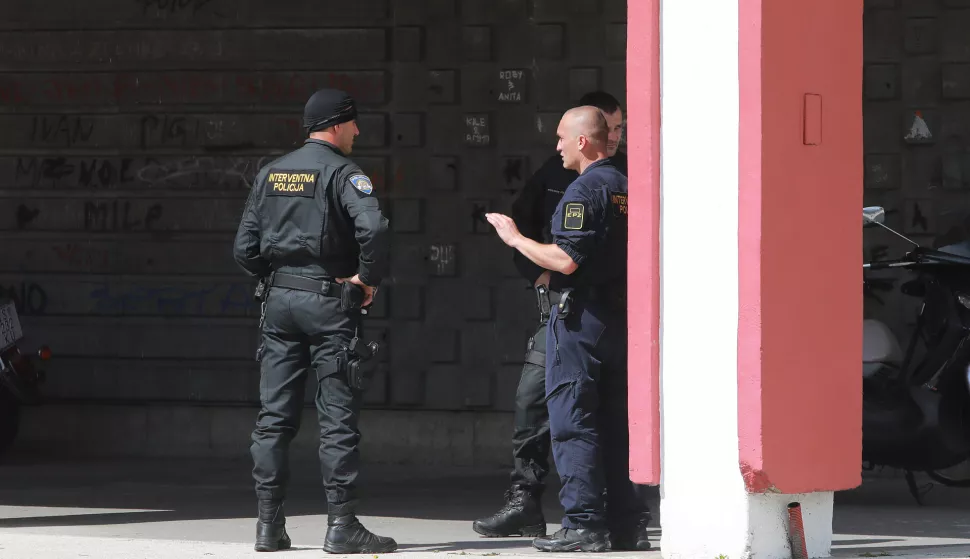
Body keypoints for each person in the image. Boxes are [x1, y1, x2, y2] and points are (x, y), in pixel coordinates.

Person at [232, 88, 397, 554]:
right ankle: (341, 525)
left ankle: (268, 527)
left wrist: (279, 279)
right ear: (338, 125)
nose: (358, 132)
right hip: (330, 305)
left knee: (272, 420)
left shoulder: (270, 173)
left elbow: (243, 249)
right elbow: (375, 229)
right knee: (337, 418)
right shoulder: (345, 173)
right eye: (354, 124)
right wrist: (365, 279)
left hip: (280, 303)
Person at [485, 106, 650, 552]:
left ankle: (582, 526)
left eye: (561, 138)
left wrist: (516, 238)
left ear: (582, 141)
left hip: (582, 324)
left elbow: (566, 259)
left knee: (573, 423)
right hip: (621, 322)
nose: (556, 146)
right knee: (618, 428)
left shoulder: (583, 192)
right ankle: (628, 525)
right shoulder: (628, 186)